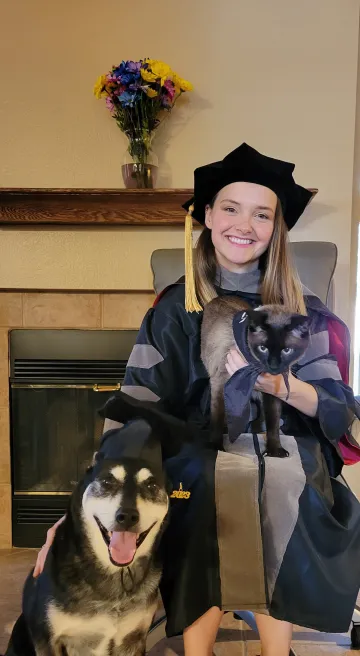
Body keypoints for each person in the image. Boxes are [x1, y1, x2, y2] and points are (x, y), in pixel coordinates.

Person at [13, 143, 360, 656]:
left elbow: (336, 405)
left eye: (262, 213)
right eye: (230, 208)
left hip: (283, 432)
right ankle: (198, 651)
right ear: (207, 217)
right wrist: (85, 498)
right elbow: (137, 400)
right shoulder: (176, 305)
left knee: (284, 475)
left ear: (275, 229)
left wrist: (275, 383)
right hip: (196, 437)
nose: (244, 224)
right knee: (198, 478)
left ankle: (275, 650)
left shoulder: (300, 309)